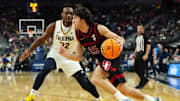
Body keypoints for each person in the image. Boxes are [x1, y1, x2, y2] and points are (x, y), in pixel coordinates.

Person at [59, 7, 161, 101]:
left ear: (83, 19)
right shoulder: (78, 35)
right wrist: (64, 53)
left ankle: (122, 99)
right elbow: (78, 56)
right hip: (103, 60)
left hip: (112, 57)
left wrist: (120, 41)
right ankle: (152, 99)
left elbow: (120, 39)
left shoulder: (98, 28)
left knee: (96, 78)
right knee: (124, 89)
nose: (72, 21)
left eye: (75, 18)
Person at [20, 5, 103, 101]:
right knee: (45, 69)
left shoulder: (77, 28)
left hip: (70, 57)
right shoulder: (54, 26)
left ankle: (100, 99)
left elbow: (86, 41)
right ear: (62, 14)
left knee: (84, 82)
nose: (68, 15)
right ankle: (31, 96)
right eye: (66, 13)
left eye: (71, 14)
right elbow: (41, 39)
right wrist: (29, 51)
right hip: (55, 55)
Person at [131, 24, 151, 89]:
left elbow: (148, 46)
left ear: (143, 29)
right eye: (138, 29)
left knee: (142, 70)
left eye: (140, 29)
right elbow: (137, 47)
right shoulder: (137, 36)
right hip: (138, 54)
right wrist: (134, 54)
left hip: (143, 54)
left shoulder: (146, 36)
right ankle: (144, 80)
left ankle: (141, 84)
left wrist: (146, 55)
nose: (139, 30)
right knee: (135, 68)